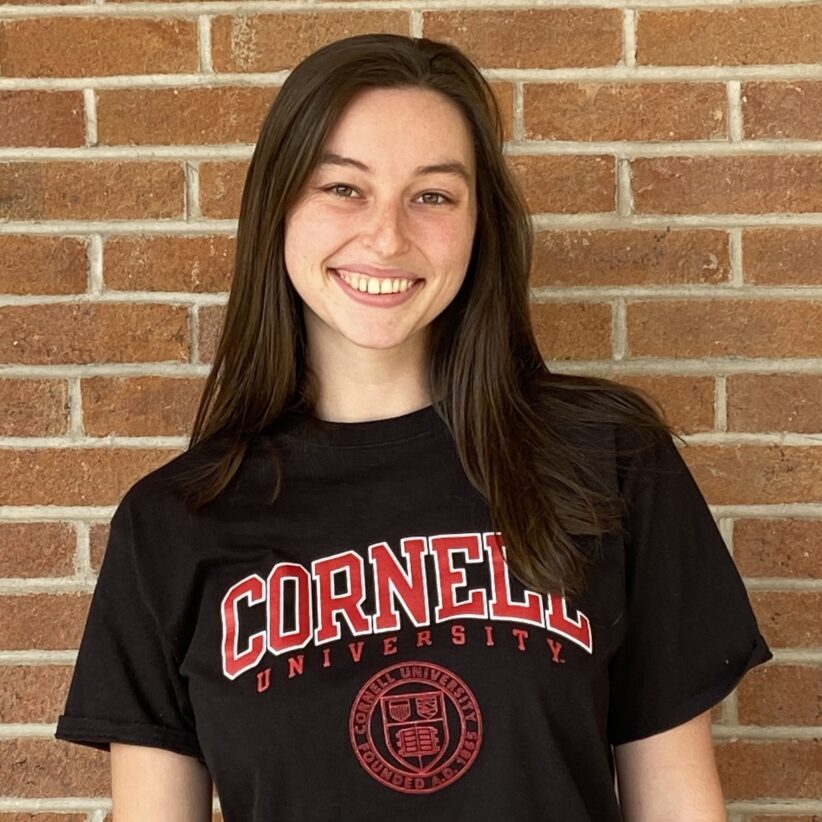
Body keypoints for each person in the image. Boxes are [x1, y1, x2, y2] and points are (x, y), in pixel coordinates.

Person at [55, 33, 772, 821]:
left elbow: (677, 802)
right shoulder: (172, 524)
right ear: (277, 207)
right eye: (343, 188)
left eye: (432, 196)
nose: (388, 237)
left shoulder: (608, 459)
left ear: (479, 222)